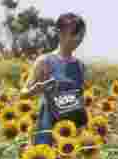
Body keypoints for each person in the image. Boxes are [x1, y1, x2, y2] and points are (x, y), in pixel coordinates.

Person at [22, 12, 88, 146]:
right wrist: (34, 90)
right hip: (48, 128)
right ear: (60, 33)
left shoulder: (80, 66)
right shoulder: (45, 61)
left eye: (81, 34)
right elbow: (23, 93)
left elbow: (79, 99)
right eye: (75, 33)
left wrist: (83, 128)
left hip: (71, 130)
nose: (79, 38)